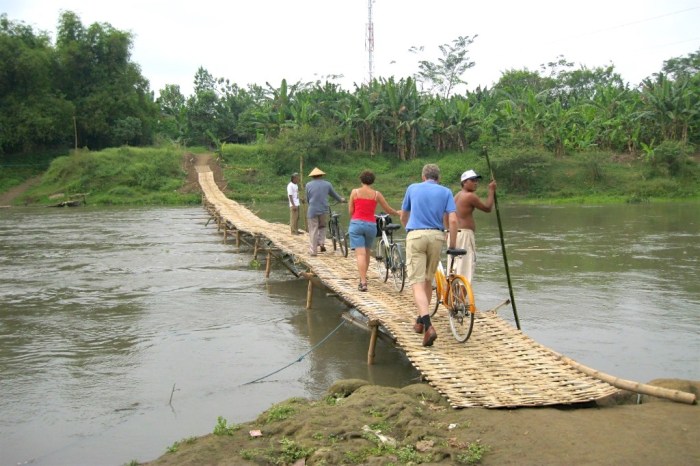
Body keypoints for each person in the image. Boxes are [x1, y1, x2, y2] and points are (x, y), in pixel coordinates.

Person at [400, 164, 457, 347]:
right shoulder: (446, 192)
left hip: (416, 235)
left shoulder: (412, 188)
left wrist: (408, 229)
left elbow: (404, 215)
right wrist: (452, 244)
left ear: (423, 176)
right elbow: (453, 219)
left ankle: (428, 325)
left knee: (416, 283)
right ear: (438, 178)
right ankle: (419, 321)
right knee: (427, 280)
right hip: (437, 236)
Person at [347, 170, 401, 292]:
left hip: (356, 224)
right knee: (366, 253)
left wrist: (356, 218)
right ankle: (364, 277)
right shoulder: (376, 194)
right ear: (372, 181)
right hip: (371, 225)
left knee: (360, 254)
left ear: (361, 180)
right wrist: (397, 213)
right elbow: (387, 209)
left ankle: (363, 281)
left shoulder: (354, 192)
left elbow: (351, 211)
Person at [453, 169, 496, 282]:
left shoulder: (457, 195)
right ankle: (462, 297)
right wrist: (491, 191)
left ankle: (454, 297)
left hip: (455, 234)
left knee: (456, 267)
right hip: (465, 235)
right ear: (464, 182)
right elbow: (487, 208)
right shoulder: (470, 196)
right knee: (465, 269)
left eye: (476, 180)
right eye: (472, 180)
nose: (475, 183)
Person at [305, 167, 345, 256]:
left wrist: (311, 204)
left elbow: (307, 198)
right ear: (321, 175)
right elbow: (335, 195)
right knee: (322, 226)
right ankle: (322, 243)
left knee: (313, 229)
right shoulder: (327, 184)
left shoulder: (308, 185)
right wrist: (341, 200)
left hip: (312, 210)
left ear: (312, 176)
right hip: (323, 209)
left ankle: (313, 251)